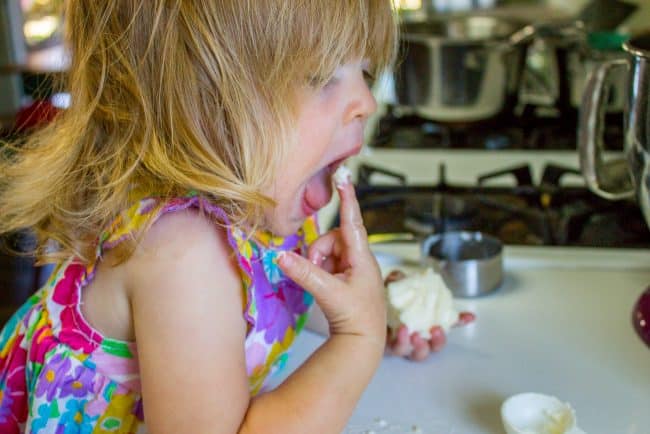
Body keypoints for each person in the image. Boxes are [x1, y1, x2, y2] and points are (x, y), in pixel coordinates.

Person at [0, 1, 469, 432]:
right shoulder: (180, 255)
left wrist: (364, 308)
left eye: (363, 71)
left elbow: (269, 308)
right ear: (201, 104)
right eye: (322, 75)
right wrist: (357, 341)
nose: (365, 101)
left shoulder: (264, 197)